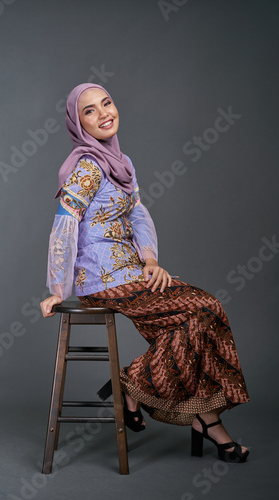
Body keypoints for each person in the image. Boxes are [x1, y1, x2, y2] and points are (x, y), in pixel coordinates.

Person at [40, 83, 250, 463]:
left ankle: (203, 418)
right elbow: (64, 225)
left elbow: (137, 212)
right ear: (78, 122)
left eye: (106, 103)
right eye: (89, 110)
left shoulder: (123, 163)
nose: (103, 113)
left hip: (132, 271)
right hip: (103, 279)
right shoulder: (87, 166)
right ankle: (134, 388)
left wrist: (150, 260)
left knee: (197, 320)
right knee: (202, 309)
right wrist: (58, 287)